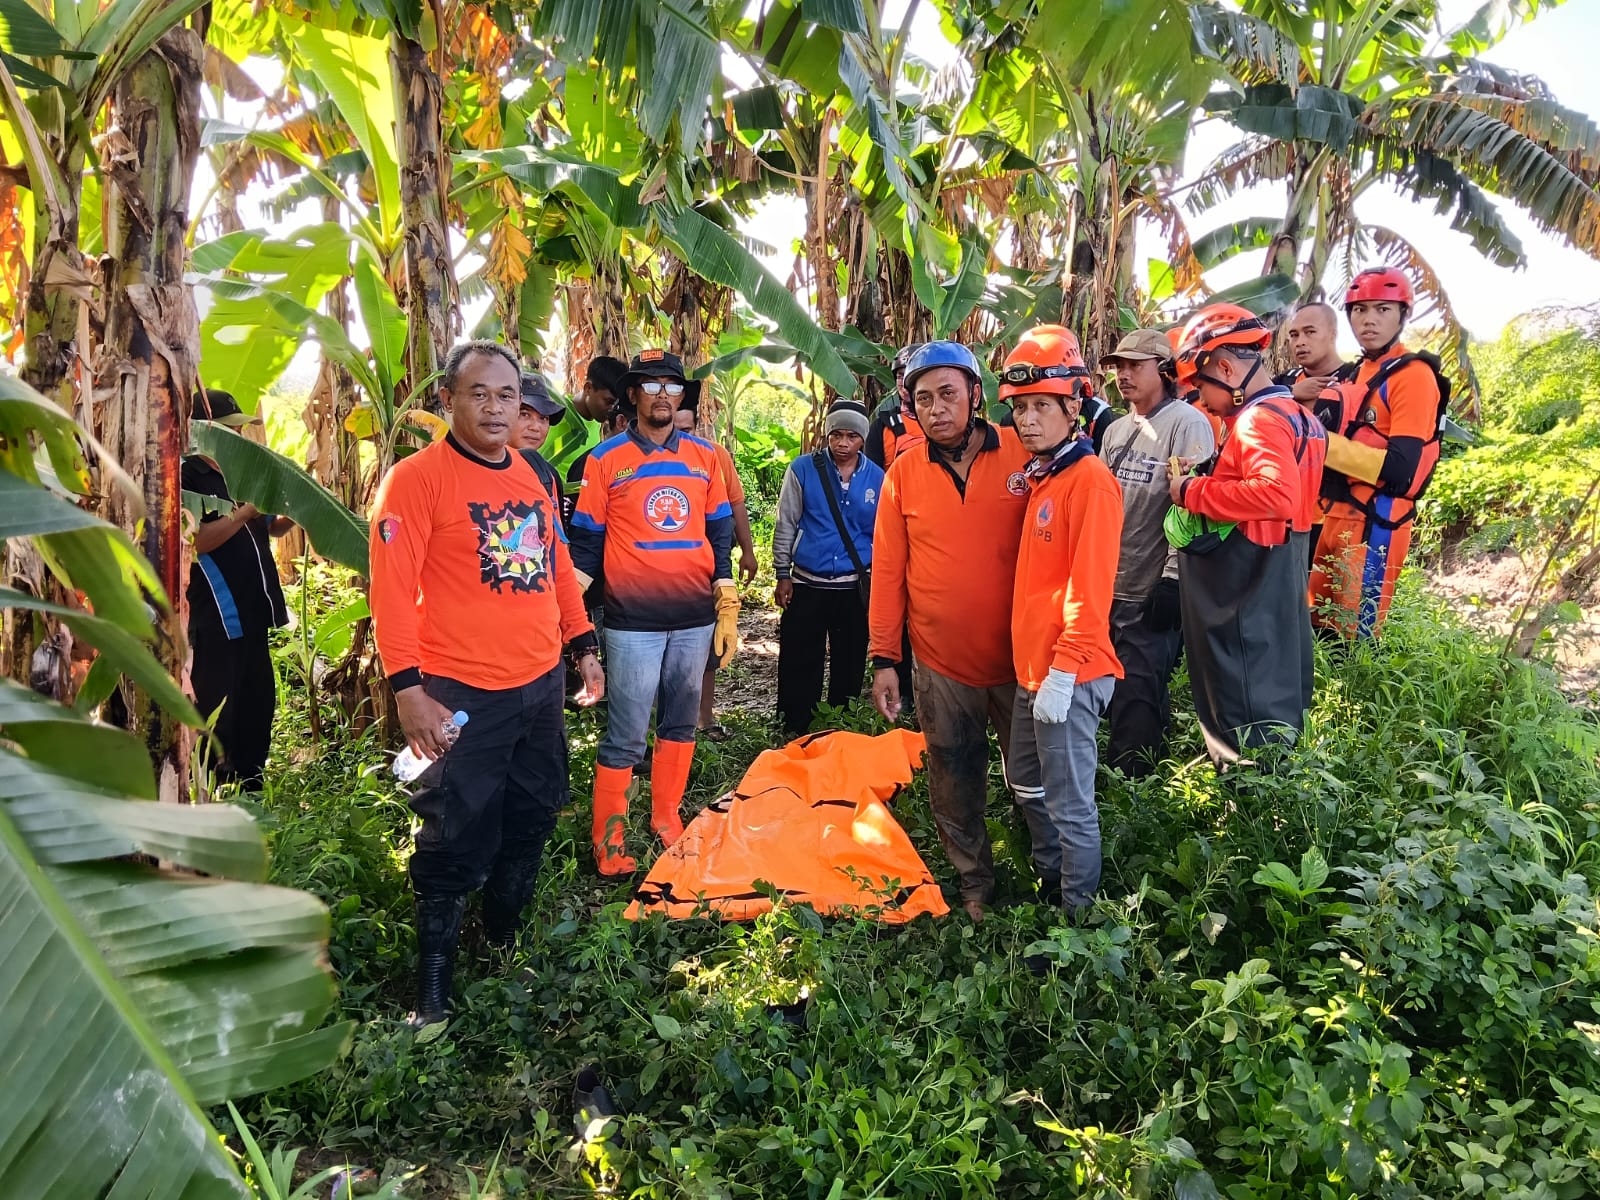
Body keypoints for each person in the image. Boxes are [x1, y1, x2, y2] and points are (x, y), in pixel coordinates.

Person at [369, 340, 603, 1024]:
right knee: (451, 831)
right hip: (459, 693)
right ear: (448, 401)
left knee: (532, 814)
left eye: (508, 395)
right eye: (480, 394)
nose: (496, 408)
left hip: (537, 689)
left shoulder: (531, 475)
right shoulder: (416, 481)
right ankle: (433, 987)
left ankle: (501, 941)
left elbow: (557, 567)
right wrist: (409, 690)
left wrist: (582, 644)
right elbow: (390, 592)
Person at [869, 340, 1032, 921]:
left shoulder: (1024, 453)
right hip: (941, 661)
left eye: (947, 394)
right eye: (923, 399)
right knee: (953, 773)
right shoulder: (903, 473)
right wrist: (885, 657)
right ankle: (974, 883)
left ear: (974, 394)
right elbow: (888, 570)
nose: (937, 408)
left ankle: (1046, 871)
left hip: (1023, 658)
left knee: (1032, 775)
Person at [570, 349, 739, 875]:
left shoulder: (705, 457)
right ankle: (610, 838)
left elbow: (719, 529)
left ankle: (666, 816)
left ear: (682, 396)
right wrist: (569, 616)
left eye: (672, 385)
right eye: (651, 385)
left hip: (694, 617)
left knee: (681, 723)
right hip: (631, 622)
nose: (663, 393)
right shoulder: (606, 460)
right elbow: (586, 544)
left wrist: (726, 593)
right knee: (625, 731)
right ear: (633, 395)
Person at [1168, 305, 1326, 767]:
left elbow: (1275, 494)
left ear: (1225, 368)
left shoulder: (1258, 420)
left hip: (1250, 579)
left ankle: (1250, 808)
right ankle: (1274, 794)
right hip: (1285, 565)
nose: (1202, 399)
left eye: (1202, 387)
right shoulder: (1302, 417)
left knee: (1245, 696)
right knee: (1276, 686)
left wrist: (1191, 490)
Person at [1002, 331, 1124, 912]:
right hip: (1033, 671)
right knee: (1027, 785)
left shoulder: (1090, 482)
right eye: (1020, 408)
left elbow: (1091, 586)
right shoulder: (1043, 477)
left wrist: (1065, 669)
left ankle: (1077, 923)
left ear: (1073, 407)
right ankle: (1051, 883)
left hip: (1068, 673)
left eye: (1041, 407)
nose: (1027, 420)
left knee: (1071, 802)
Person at [1098, 329, 1217, 777]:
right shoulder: (1114, 429)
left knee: (1140, 694)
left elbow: (1196, 508)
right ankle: (1111, 778)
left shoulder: (1187, 425)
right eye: (1118, 367)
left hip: (1153, 588)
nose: (1123, 375)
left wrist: (1173, 579)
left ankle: (1136, 791)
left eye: (1134, 366)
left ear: (1165, 371)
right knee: (1108, 693)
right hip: (1109, 584)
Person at [1309, 269, 1447, 639]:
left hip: (1376, 522)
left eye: (1382, 309)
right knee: (1317, 628)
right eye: (1359, 310)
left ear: (1403, 314)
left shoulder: (1413, 375)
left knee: (1355, 639)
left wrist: (1319, 443)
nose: (1368, 319)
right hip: (1332, 514)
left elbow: (1400, 468)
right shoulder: (1353, 374)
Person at [185, 389, 294, 789]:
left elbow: (268, 527)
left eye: (239, 429)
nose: (238, 437)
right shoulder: (187, 475)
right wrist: (244, 510)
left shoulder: (238, 474)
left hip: (255, 611)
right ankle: (213, 789)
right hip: (217, 617)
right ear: (203, 430)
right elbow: (195, 540)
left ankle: (251, 786)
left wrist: (294, 509)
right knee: (219, 711)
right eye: (229, 430)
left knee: (258, 704)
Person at [772, 400, 884, 735]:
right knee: (799, 660)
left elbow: (882, 533)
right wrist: (782, 573)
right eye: (837, 434)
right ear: (827, 434)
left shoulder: (876, 478)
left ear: (863, 439)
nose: (843, 443)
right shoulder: (803, 469)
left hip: (853, 587)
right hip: (807, 583)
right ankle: (794, 728)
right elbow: (786, 522)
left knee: (849, 663)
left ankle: (840, 727)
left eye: (852, 436)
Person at [673, 388, 758, 737]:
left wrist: (748, 550)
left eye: (687, 428)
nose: (680, 434)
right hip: (659, 573)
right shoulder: (640, 456)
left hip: (707, 565)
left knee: (709, 642)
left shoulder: (714, 455)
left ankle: (704, 719)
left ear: (697, 426)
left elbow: (735, 504)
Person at [864, 343, 926, 470]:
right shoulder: (881, 426)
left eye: (911, 375)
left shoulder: (943, 421)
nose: (904, 383)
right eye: (900, 376)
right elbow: (872, 478)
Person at [514, 370, 566, 510]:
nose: (535, 427)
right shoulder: (479, 469)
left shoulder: (549, 476)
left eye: (543, 418)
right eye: (524, 414)